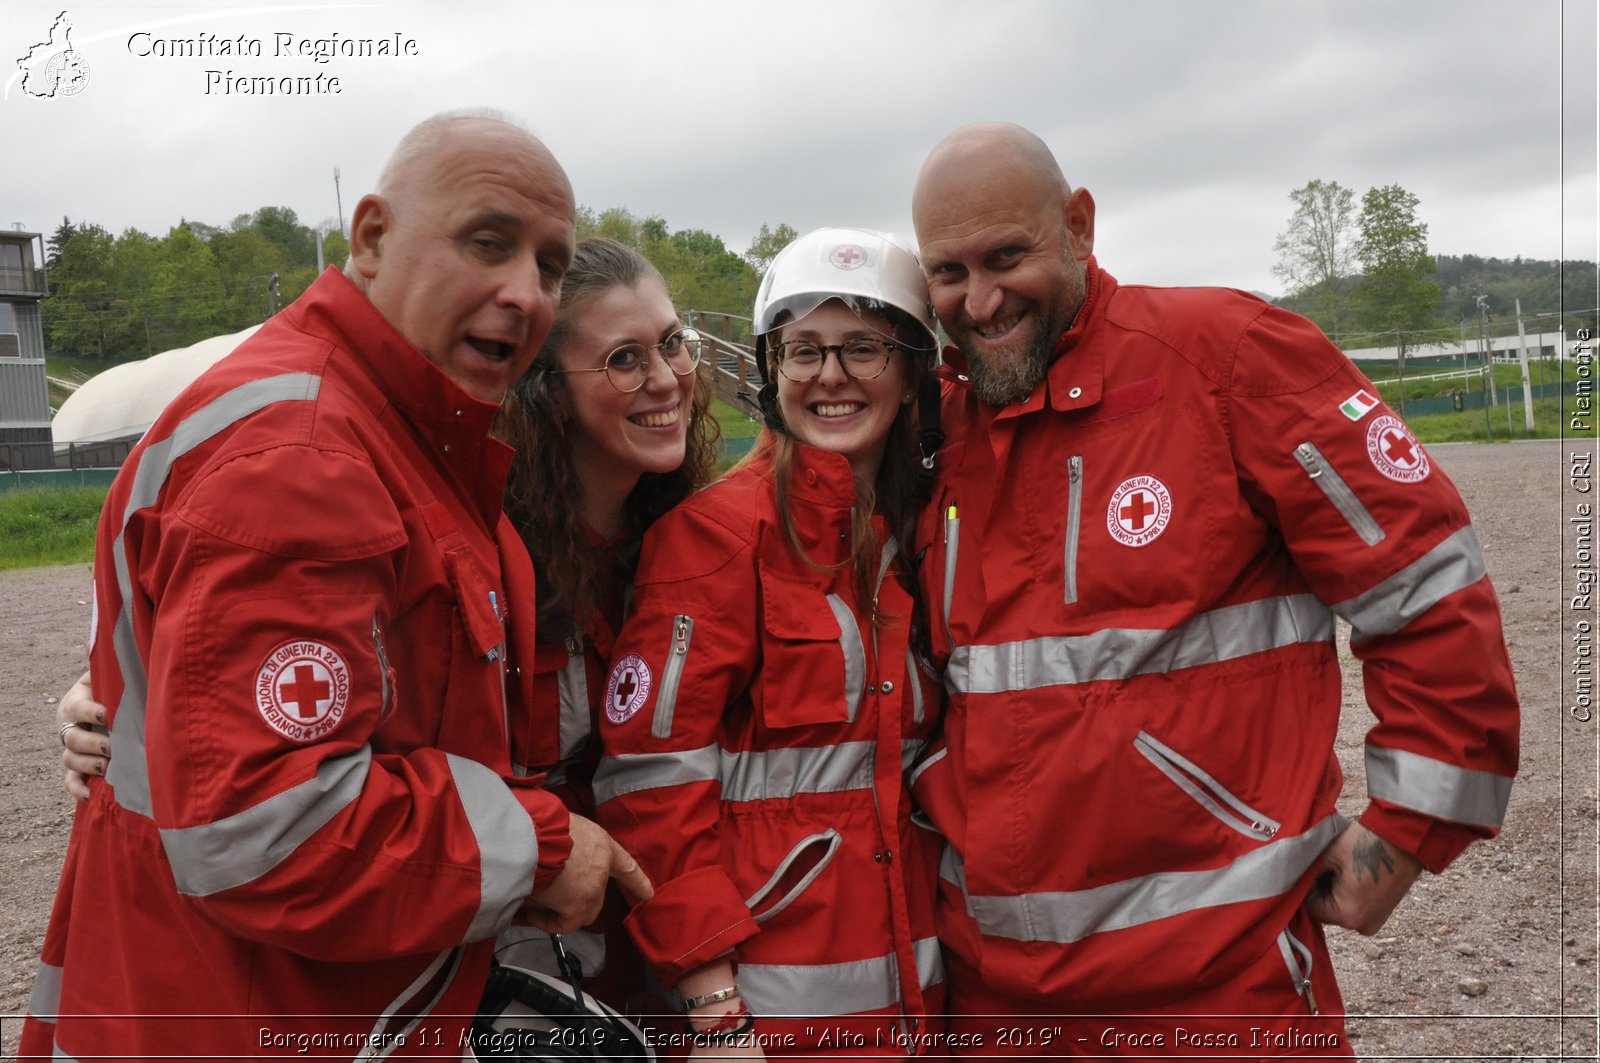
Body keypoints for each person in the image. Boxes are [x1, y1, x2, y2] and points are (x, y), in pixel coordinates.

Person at [23, 110, 649, 1061]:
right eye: (488, 243)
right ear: (371, 236)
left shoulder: (421, 438)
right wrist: (545, 846)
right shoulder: (305, 458)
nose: (524, 293)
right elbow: (270, 824)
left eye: (550, 267)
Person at [905, 122, 1521, 1057]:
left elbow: (1427, 586)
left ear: (1079, 224)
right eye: (948, 272)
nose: (981, 300)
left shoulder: (1226, 355)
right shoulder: (938, 434)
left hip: (1221, 999)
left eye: (1006, 256)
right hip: (995, 1010)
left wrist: (1405, 837)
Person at [594, 228, 948, 1056]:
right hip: (766, 1021)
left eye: (863, 347)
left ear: (909, 371)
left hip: (921, 1003)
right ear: (769, 369)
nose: (831, 376)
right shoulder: (712, 538)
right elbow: (652, 787)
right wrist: (714, 1008)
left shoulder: (929, 532)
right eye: (803, 351)